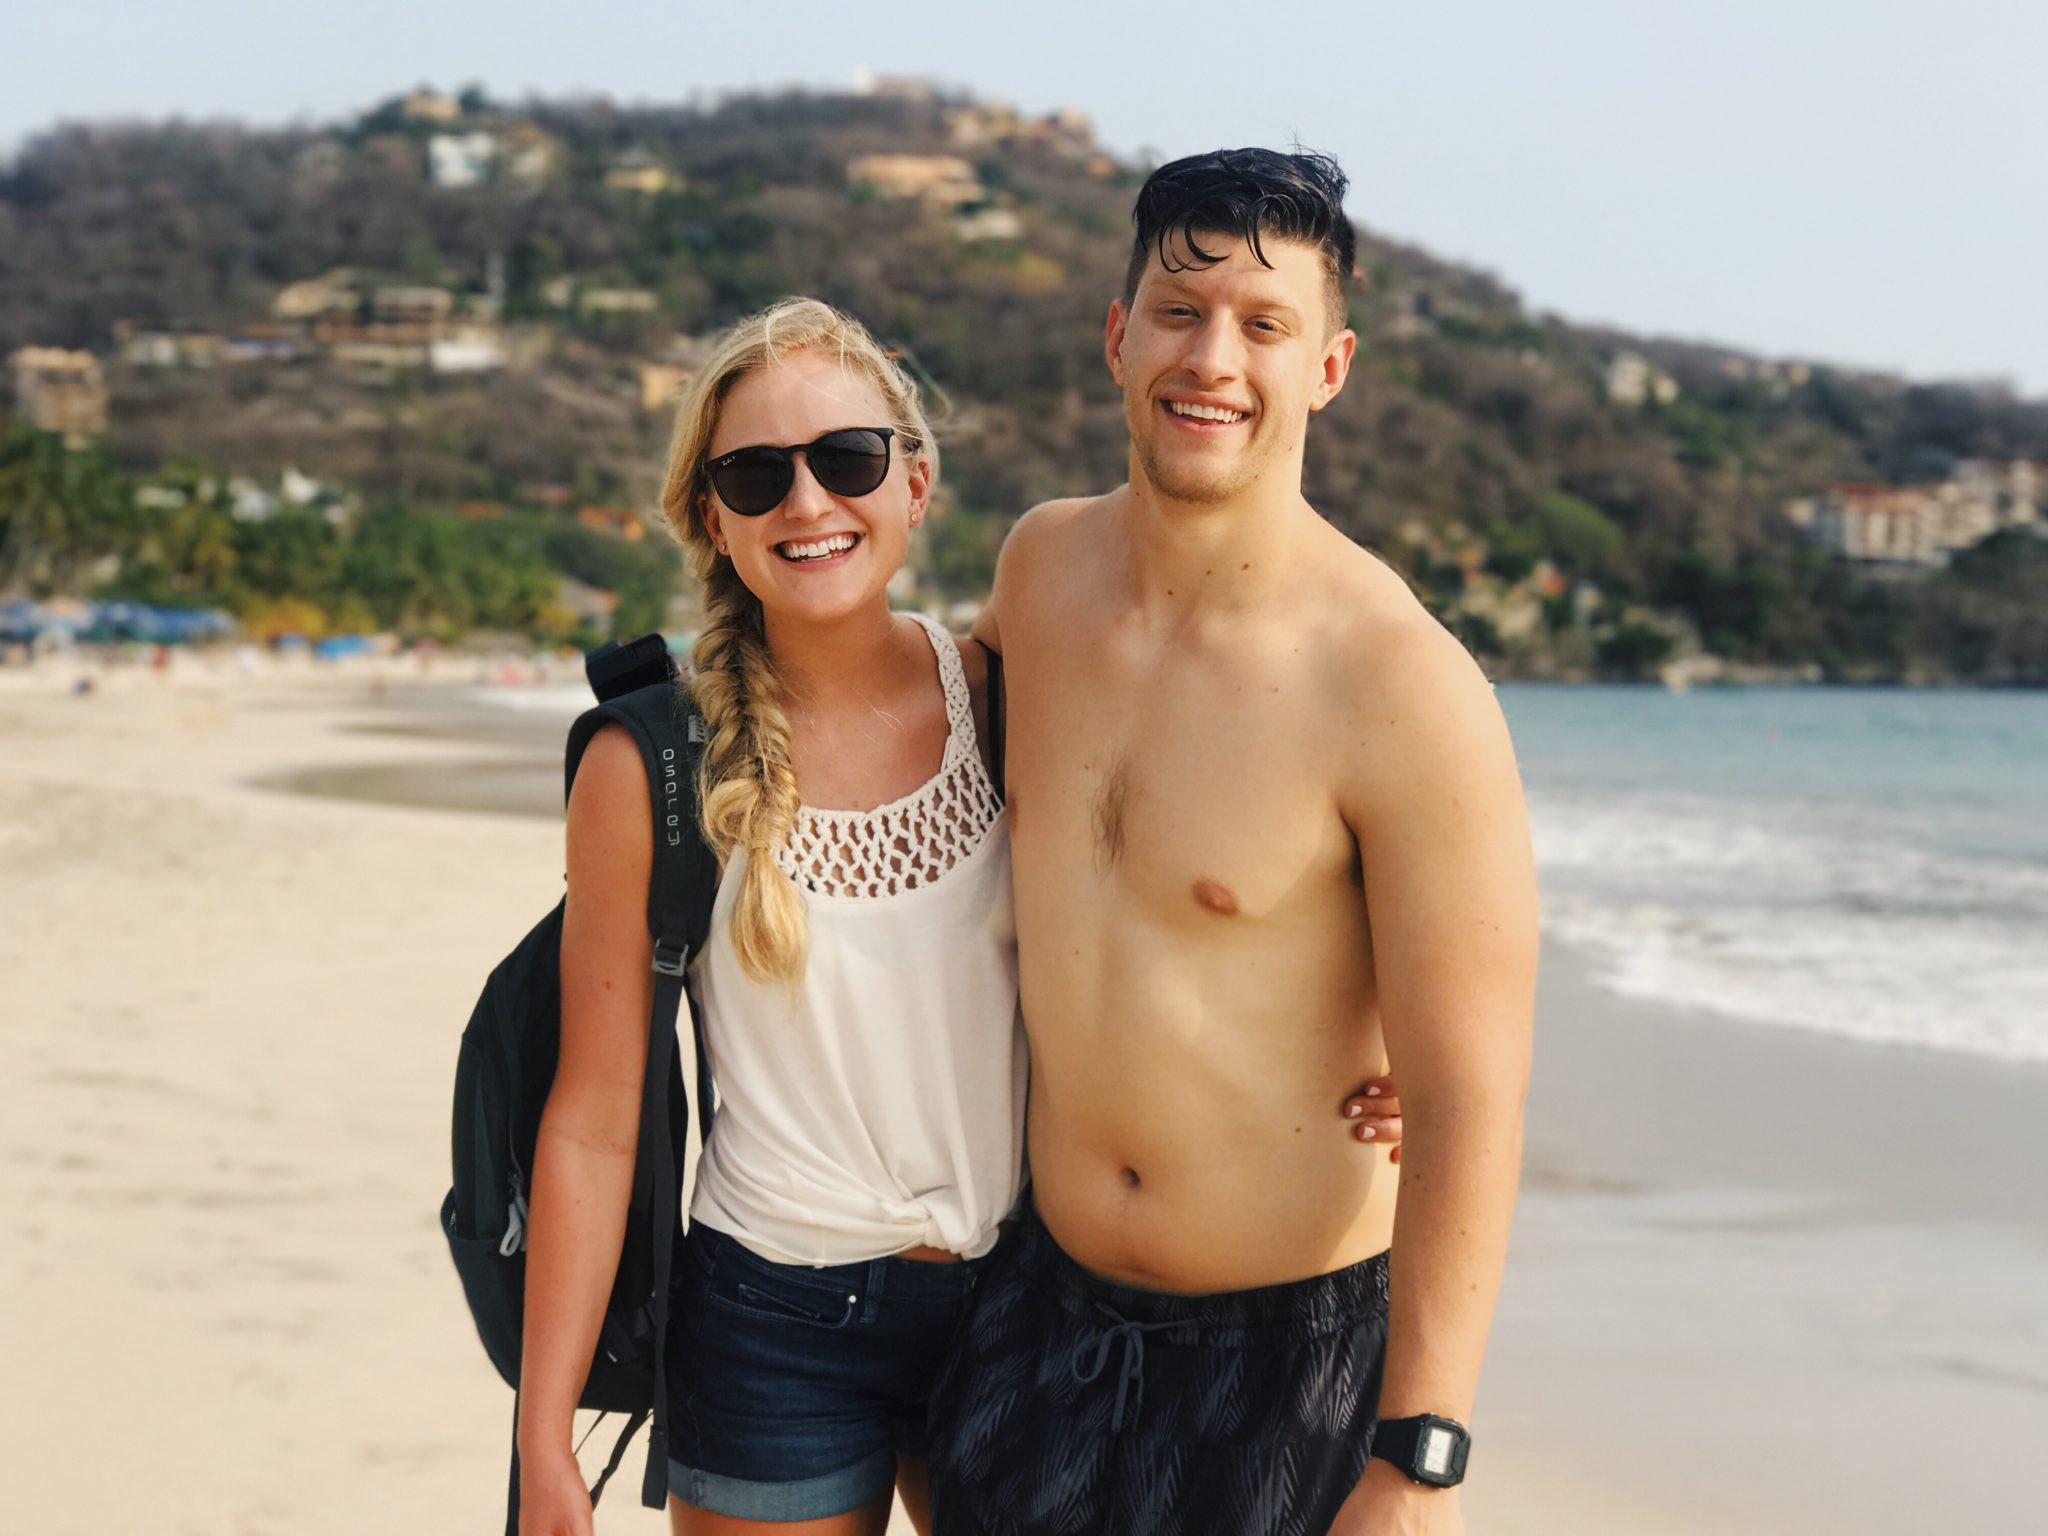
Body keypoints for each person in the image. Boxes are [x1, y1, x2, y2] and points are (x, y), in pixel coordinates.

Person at [510, 297, 1403, 1536]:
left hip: (1024, 1310)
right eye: (757, 477)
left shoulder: (1001, 692)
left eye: (847, 459)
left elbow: (1179, 909)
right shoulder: (653, 763)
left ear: (913, 483)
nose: (808, 504)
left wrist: (1364, 1044)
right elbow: (593, 1121)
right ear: (711, 520)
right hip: (770, 1324)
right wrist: (540, 1437)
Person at [926, 149, 1537, 1536]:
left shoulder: (1401, 686)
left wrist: (1420, 1459)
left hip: (1289, 1368)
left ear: (1328, 366)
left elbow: (1469, 1099)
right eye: (1180, 311)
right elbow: (890, 747)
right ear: (1115, 335)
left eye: (1265, 325)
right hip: (1037, 1318)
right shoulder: (1040, 573)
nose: (1215, 358)